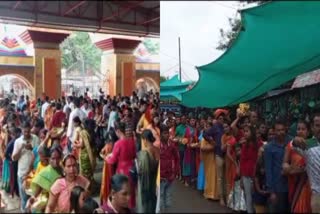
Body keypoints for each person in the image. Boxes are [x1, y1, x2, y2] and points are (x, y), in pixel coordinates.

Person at [282, 120, 312, 213]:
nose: (300, 131)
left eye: (303, 129)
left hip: (308, 184)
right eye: (298, 129)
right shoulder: (290, 145)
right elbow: (285, 163)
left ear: (308, 131)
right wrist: (288, 168)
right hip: (293, 181)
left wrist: (302, 170)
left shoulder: (312, 145)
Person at [292, 114, 320, 213]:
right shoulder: (307, 144)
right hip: (317, 196)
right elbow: (293, 145)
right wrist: (295, 140)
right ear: (312, 128)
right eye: (317, 125)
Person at [106, 121, 136, 209]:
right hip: (132, 168)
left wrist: (106, 158)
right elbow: (134, 155)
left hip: (122, 170)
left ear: (118, 131)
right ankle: (131, 208)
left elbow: (112, 160)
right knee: (131, 191)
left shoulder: (118, 143)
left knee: (122, 192)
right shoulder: (132, 141)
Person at [12, 121, 40, 212]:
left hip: (34, 174)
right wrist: (21, 148)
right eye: (25, 132)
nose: (27, 133)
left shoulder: (35, 138)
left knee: (33, 198)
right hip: (22, 174)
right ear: (22, 131)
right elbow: (14, 158)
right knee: (24, 198)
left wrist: (32, 148)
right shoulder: (18, 141)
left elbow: (40, 155)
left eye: (28, 131)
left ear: (30, 129)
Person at [264, 120, 291, 213]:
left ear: (286, 129)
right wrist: (271, 192)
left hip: (292, 185)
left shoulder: (291, 142)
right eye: (278, 130)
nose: (280, 132)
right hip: (278, 187)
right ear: (274, 131)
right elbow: (268, 170)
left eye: (282, 130)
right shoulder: (269, 147)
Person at [26, 146, 63, 213]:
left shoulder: (63, 171)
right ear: (49, 159)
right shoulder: (45, 172)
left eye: (58, 158)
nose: (56, 161)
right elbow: (38, 190)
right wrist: (32, 199)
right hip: (47, 206)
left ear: (61, 158)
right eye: (53, 158)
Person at [239, 125, 263, 213]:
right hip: (246, 174)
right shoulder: (244, 145)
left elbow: (258, 160)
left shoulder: (259, 144)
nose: (244, 133)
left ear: (252, 133)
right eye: (244, 131)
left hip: (255, 174)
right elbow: (242, 161)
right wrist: (241, 176)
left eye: (247, 131)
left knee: (254, 197)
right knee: (248, 197)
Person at [136, 129, 159, 213]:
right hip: (156, 183)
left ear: (145, 139)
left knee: (146, 206)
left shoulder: (144, 153)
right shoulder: (158, 150)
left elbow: (141, 172)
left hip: (147, 185)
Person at [160, 125, 179, 211]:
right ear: (160, 134)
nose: (167, 135)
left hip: (169, 176)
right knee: (160, 196)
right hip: (160, 177)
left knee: (168, 197)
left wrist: (175, 172)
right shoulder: (157, 146)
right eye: (164, 133)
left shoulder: (172, 146)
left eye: (167, 133)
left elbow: (177, 158)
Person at [72, 117, 96, 183]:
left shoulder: (83, 132)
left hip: (84, 155)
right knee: (89, 171)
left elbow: (82, 145)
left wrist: (75, 145)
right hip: (90, 153)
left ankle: (87, 186)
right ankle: (91, 184)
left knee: (85, 172)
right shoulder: (91, 132)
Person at [201, 126, 219, 200]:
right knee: (209, 176)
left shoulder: (214, 138)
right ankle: (209, 194)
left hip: (215, 159)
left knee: (216, 177)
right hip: (208, 161)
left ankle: (216, 195)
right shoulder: (204, 139)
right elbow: (202, 148)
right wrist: (213, 147)